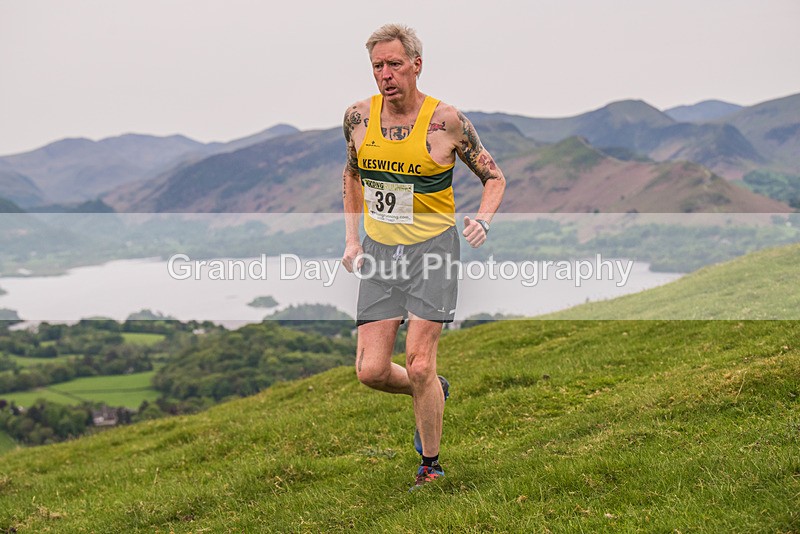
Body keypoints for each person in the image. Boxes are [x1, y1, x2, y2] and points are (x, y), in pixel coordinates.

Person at [341, 23, 506, 491]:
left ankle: (430, 464)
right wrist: (352, 240)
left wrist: (484, 220)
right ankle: (433, 388)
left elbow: (494, 178)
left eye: (395, 64)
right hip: (379, 254)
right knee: (371, 371)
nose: (386, 74)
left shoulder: (446, 121)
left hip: (433, 251)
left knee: (418, 362)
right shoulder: (357, 117)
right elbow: (353, 175)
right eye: (378, 66)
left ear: (416, 64)